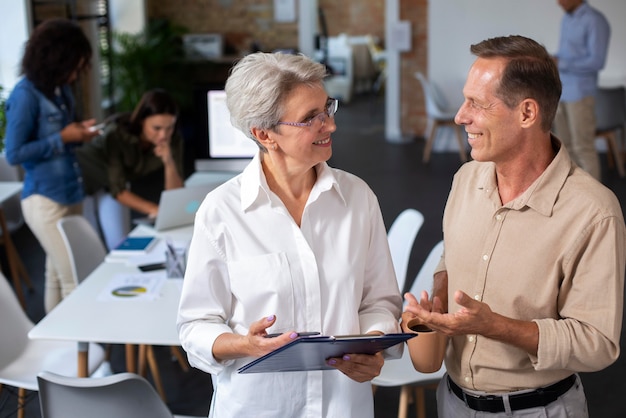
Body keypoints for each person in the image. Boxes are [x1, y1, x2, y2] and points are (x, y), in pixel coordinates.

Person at [402, 35, 625, 417]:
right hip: (451, 402)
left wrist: (497, 326)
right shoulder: (465, 179)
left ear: (526, 113)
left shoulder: (594, 212)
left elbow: (597, 342)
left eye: (476, 103)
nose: (460, 116)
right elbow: (450, 257)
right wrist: (439, 298)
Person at [177, 52, 402, 418]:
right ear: (265, 134)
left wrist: (373, 345)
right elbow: (195, 325)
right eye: (310, 118)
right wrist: (242, 344)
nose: (329, 125)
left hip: (343, 407)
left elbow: (379, 302)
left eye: (327, 109)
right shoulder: (222, 212)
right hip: (259, 408)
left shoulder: (357, 198)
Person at [4, 19, 99, 312]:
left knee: (56, 276)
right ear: (55, 60)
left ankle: (60, 350)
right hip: (44, 200)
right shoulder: (24, 96)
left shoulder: (60, 90)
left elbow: (62, 138)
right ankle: (83, 353)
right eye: (74, 66)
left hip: (71, 191)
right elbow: (14, 153)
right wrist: (61, 137)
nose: (75, 75)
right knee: (75, 280)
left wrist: (77, 133)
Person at [76, 88, 185, 249]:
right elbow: (118, 189)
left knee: (119, 242)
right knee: (88, 245)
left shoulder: (173, 139)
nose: (163, 135)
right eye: (157, 128)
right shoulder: (117, 134)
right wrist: (156, 209)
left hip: (112, 184)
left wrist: (168, 161)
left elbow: (175, 194)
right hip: (83, 180)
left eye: (169, 128)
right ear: (142, 121)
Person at [553, 0, 610, 181]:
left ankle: (596, 203)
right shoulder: (566, 19)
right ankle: (575, 196)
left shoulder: (595, 20)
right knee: (564, 148)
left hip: (580, 94)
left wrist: (561, 63)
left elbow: (597, 61)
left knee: (583, 148)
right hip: (560, 91)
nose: (558, 2)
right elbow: (566, 53)